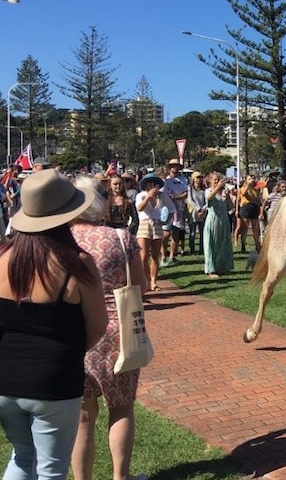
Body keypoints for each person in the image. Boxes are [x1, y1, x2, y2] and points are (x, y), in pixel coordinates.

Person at [0, 169, 108, 480]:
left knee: (21, 459)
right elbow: (98, 326)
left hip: (5, 378)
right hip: (55, 381)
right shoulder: (76, 263)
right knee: (51, 468)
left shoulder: (3, 257)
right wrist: (67, 352)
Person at [69, 176, 148, 480]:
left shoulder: (62, 240)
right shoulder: (121, 238)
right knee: (122, 407)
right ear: (101, 204)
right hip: (118, 331)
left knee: (83, 417)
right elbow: (141, 287)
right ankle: (120, 477)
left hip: (78, 332)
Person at [134, 173, 174, 292]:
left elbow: (172, 209)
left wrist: (166, 220)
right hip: (144, 224)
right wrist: (148, 198)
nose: (152, 186)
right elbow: (139, 208)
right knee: (143, 256)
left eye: (154, 184)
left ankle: (153, 282)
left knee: (155, 256)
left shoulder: (163, 196)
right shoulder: (141, 195)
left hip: (157, 225)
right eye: (149, 183)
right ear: (146, 185)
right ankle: (145, 280)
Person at [204, 172, 234, 278]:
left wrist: (229, 195)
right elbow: (209, 199)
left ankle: (222, 267)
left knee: (223, 243)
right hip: (213, 219)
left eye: (219, 179)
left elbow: (230, 207)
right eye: (215, 180)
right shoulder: (209, 191)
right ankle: (211, 270)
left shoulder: (223, 192)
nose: (217, 181)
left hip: (224, 220)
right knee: (211, 244)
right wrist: (217, 189)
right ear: (210, 181)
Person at [162, 159, 188, 265]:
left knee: (176, 233)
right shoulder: (165, 181)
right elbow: (164, 194)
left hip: (178, 209)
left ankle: (172, 256)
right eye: (173, 166)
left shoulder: (183, 180)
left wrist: (176, 197)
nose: (175, 168)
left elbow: (185, 194)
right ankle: (163, 256)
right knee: (166, 233)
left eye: (177, 166)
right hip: (167, 210)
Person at [234, 174, 262, 253]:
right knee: (245, 228)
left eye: (252, 178)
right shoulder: (242, 188)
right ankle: (243, 245)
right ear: (246, 180)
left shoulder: (256, 189)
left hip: (254, 207)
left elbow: (258, 199)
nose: (251, 180)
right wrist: (248, 185)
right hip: (246, 207)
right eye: (249, 179)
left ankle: (257, 245)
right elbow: (243, 194)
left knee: (255, 228)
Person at [186, 171, 208, 255]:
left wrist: (203, 209)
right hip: (193, 213)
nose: (199, 180)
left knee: (202, 232)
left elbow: (207, 201)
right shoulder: (190, 189)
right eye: (197, 178)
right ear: (193, 179)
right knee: (192, 232)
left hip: (203, 213)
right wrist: (198, 209)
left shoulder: (204, 190)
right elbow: (190, 200)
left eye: (200, 178)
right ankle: (192, 249)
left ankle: (202, 249)